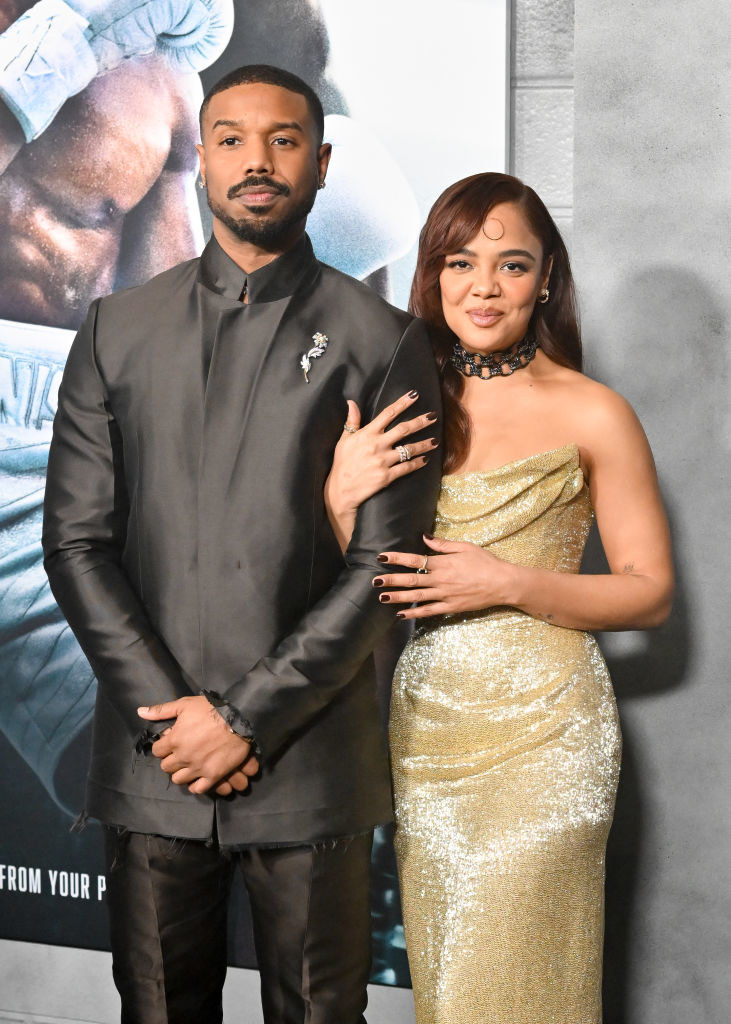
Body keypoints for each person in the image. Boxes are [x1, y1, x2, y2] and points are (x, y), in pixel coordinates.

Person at [41, 64, 442, 1023]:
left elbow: (385, 567)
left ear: (320, 163)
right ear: (201, 162)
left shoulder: (383, 339)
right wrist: (173, 714)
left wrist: (245, 721)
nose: (256, 162)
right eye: (230, 139)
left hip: (308, 773)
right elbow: (77, 541)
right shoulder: (115, 330)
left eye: (283, 140)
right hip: (156, 765)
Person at [324, 172, 674, 1024]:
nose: (482, 287)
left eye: (511, 265)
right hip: (428, 729)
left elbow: (651, 594)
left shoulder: (594, 411)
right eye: (459, 263)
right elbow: (375, 589)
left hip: (547, 735)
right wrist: (341, 499)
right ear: (432, 275)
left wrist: (508, 581)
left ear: (545, 276)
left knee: (516, 989)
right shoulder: (403, 407)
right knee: (448, 995)